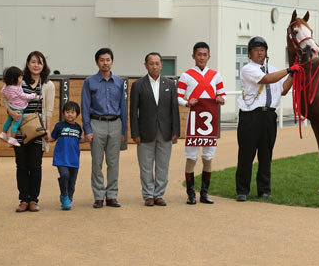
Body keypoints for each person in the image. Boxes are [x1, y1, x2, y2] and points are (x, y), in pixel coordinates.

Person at [235, 36, 295, 202]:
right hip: (250, 116)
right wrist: (289, 70)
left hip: (269, 115)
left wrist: (294, 75)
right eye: (256, 50)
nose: (260, 52)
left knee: (266, 155)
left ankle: (264, 190)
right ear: (250, 53)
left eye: (262, 49)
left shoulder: (273, 69)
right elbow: (266, 79)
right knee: (246, 155)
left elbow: (282, 89)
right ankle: (242, 190)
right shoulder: (248, 69)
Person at [177, 42, 226, 205]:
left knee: (208, 156)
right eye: (199, 54)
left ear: (209, 57)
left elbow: (222, 94)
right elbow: (178, 96)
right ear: (193, 56)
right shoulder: (186, 75)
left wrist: (221, 99)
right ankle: (190, 194)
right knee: (191, 156)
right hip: (194, 120)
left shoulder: (216, 75)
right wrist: (186, 102)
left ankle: (204, 193)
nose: (202, 57)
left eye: (205, 55)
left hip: (210, 121)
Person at [6, 51, 55, 213]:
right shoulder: (18, 82)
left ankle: (33, 199)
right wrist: (11, 112)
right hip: (19, 129)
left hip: (37, 130)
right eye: (33, 62)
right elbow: (8, 101)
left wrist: (48, 130)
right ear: (27, 64)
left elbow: (48, 110)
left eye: (40, 62)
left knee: (35, 166)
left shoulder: (48, 84)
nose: (36, 65)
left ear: (43, 66)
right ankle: (23, 200)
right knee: (21, 166)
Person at [130, 52, 180, 207]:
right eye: (151, 63)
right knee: (145, 165)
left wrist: (176, 131)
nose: (154, 66)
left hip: (165, 131)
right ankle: (148, 195)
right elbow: (133, 111)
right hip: (145, 132)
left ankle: (159, 194)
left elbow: (174, 109)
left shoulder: (170, 84)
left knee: (163, 165)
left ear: (161, 65)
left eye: (157, 63)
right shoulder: (138, 85)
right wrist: (135, 133)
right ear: (145, 65)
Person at [81, 48, 127, 209]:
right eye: (102, 60)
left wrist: (123, 131)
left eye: (108, 60)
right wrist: (87, 129)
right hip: (96, 123)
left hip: (115, 124)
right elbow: (85, 106)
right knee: (97, 162)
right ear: (97, 62)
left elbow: (123, 106)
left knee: (114, 162)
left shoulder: (119, 82)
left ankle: (112, 195)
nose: (105, 63)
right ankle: (99, 196)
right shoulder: (89, 82)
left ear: (112, 61)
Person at [49, 101, 83, 210]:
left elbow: (78, 140)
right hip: (61, 158)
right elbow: (52, 138)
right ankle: (64, 196)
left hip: (74, 159)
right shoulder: (59, 126)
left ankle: (69, 199)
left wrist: (87, 139)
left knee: (72, 181)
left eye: (72, 112)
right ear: (63, 113)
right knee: (64, 175)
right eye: (67, 112)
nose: (69, 114)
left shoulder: (78, 128)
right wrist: (45, 135)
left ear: (77, 115)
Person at [0, 66, 38, 147]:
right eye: (20, 78)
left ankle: (3, 133)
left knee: (9, 121)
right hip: (19, 109)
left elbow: (2, 92)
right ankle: (12, 139)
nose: (21, 79)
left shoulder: (6, 87)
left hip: (11, 107)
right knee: (16, 124)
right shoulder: (17, 89)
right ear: (14, 79)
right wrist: (33, 95)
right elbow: (24, 96)